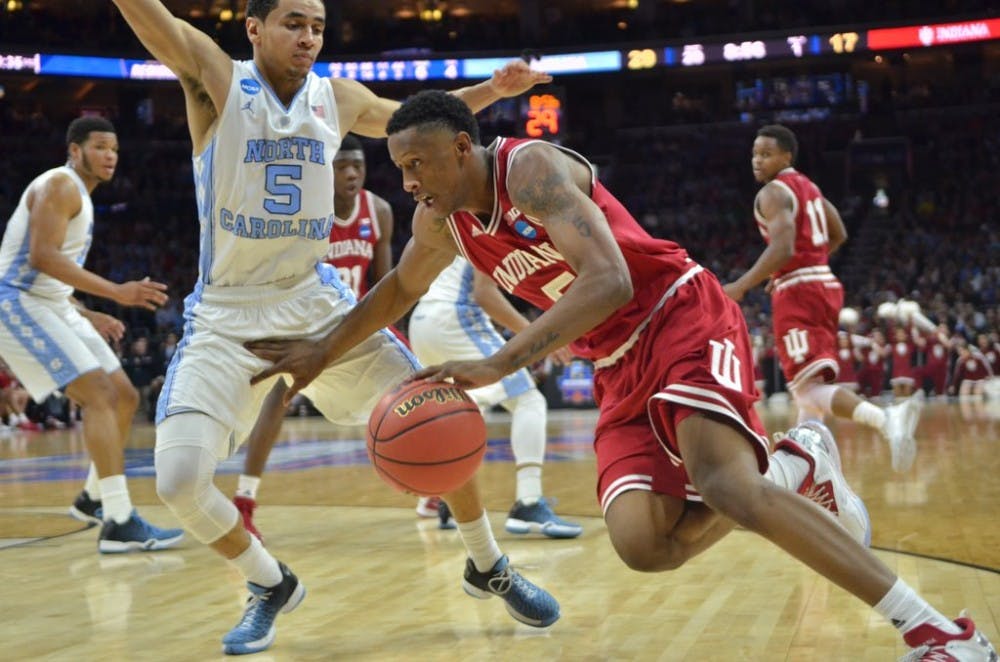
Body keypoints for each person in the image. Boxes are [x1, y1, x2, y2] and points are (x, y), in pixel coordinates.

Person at [245, 90, 996, 661]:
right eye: (399, 168)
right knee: (645, 546)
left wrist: (502, 362)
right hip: (612, 362)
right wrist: (321, 347)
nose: (407, 181)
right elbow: (400, 291)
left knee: (729, 484)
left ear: (464, 150)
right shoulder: (441, 220)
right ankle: (798, 464)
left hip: (677, 314)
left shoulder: (530, 169)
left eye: (418, 163)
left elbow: (607, 278)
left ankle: (933, 629)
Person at [110, 0, 557, 655]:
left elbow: (412, 121)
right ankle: (268, 583)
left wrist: (492, 89)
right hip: (225, 321)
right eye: (293, 23)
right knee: (177, 481)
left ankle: (487, 562)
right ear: (255, 28)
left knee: (442, 413)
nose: (309, 38)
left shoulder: (336, 97)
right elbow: (162, 28)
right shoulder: (218, 81)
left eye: (318, 26)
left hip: (318, 307)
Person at [0, 116, 184, 553]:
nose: (110, 156)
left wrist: (87, 312)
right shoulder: (60, 185)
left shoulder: (79, 195)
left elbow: (50, 277)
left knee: (125, 395)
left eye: (115, 149)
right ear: (75, 150)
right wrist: (116, 292)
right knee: (99, 395)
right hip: (16, 302)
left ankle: (93, 497)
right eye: (100, 146)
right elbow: (42, 258)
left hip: (51, 304)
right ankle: (118, 521)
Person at [723, 124, 923, 472]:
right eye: (755, 153)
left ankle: (886, 418)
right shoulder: (810, 188)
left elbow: (783, 247)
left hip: (800, 291)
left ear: (787, 156)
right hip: (822, 283)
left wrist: (741, 285)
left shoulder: (774, 192)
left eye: (766, 154)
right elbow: (839, 233)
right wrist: (802, 264)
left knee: (805, 390)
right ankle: (808, 464)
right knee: (809, 388)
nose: (757, 160)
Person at [230, 134, 398, 541]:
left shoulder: (378, 210)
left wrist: (392, 334)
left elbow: (387, 284)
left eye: (357, 165)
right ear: (325, 169)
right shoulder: (305, 212)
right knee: (278, 392)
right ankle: (244, 502)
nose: (353, 173)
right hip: (306, 323)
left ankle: (435, 490)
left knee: (409, 392)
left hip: (354, 325)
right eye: (343, 166)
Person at [408, 255, 582, 537]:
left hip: (422, 320)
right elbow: (485, 293)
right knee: (528, 399)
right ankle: (528, 502)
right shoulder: (486, 219)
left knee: (465, 408)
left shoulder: (453, 221)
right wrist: (538, 336)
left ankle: (442, 497)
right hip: (455, 315)